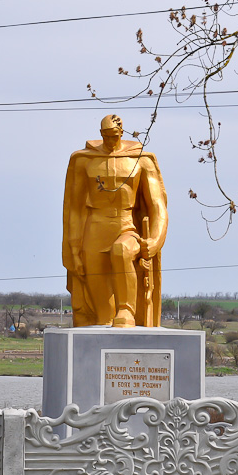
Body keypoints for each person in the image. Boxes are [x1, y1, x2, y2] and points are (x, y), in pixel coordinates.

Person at [62, 115, 168, 327]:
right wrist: (73, 248)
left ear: (121, 133)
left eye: (114, 136)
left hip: (126, 226)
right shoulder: (84, 160)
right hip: (94, 229)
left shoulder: (140, 159)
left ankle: (127, 311)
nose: (110, 141)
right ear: (101, 134)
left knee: (121, 251)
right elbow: (73, 208)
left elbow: (158, 205)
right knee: (102, 314)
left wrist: (155, 240)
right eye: (106, 136)